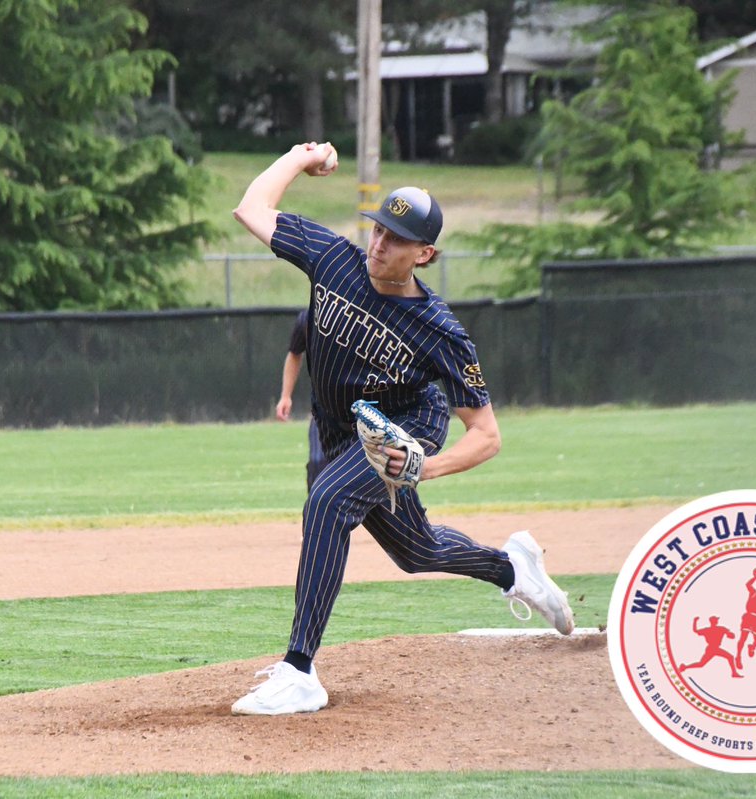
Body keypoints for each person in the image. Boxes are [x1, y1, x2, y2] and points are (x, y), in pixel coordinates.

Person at [229, 141, 575, 716]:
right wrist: (299, 156)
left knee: (329, 502)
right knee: (417, 550)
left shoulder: (440, 329)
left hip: (405, 425)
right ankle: (514, 569)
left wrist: (421, 464)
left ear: (425, 254)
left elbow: (487, 434)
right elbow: (252, 209)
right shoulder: (335, 259)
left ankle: (299, 670)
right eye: (378, 230)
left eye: (395, 239)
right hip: (337, 430)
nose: (380, 244)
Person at [276, 308, 328, 491]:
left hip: (362, 410)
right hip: (325, 410)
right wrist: (285, 396)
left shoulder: (360, 316)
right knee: (317, 464)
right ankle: (319, 517)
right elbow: (294, 353)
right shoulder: (308, 318)